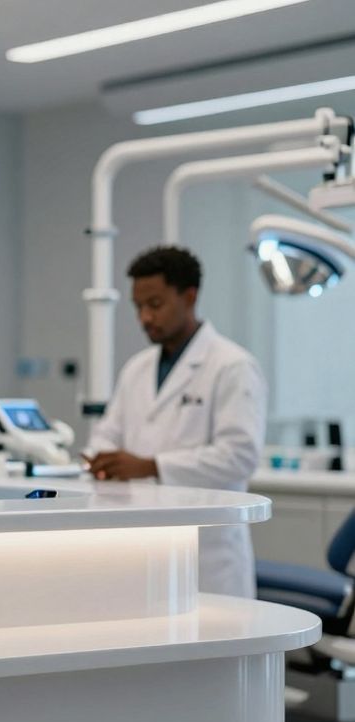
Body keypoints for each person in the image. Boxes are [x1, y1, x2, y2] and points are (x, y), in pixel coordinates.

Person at [86, 245, 267, 598]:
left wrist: (150, 466)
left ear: (189, 296)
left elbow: (239, 455)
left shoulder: (232, 366)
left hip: (208, 553)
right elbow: (107, 434)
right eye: (138, 307)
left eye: (155, 305)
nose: (144, 319)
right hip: (142, 543)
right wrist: (99, 460)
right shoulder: (137, 368)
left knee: (209, 644)